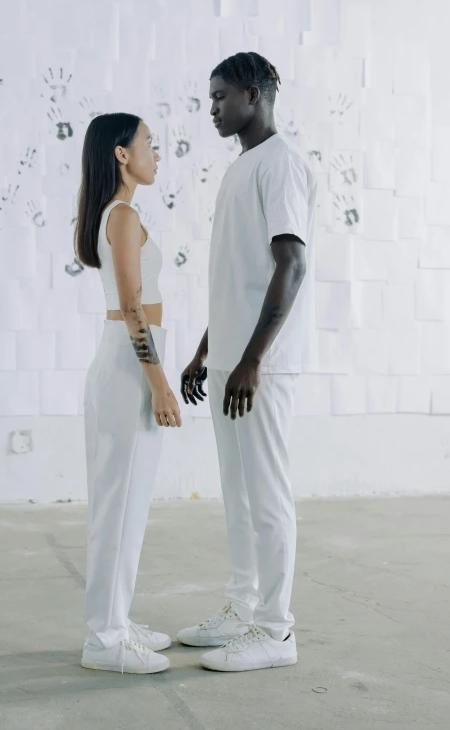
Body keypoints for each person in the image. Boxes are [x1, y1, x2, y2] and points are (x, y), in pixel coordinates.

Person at [178, 52, 317, 672]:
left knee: (266, 495)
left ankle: (276, 630)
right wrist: (207, 351)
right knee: (237, 494)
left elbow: (291, 263)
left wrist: (252, 359)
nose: (211, 108)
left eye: (219, 96)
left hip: (262, 366)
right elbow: (242, 274)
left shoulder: (281, 164)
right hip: (232, 362)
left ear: (253, 95)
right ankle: (241, 607)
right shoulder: (243, 167)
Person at [75, 113, 182, 674]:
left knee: (124, 503)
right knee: (118, 507)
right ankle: (105, 638)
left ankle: (116, 618)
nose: (156, 153)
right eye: (149, 144)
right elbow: (133, 305)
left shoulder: (118, 214)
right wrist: (160, 383)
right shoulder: (122, 215)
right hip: (129, 368)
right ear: (122, 155)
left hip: (124, 365)